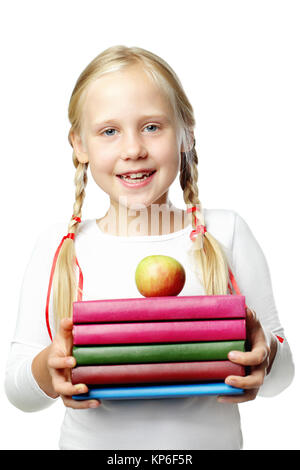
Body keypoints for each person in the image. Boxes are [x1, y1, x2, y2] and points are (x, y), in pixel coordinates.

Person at [5, 45, 294, 450]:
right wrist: (48, 368)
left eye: (152, 127)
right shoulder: (61, 246)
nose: (133, 149)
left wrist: (265, 357)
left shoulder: (225, 231)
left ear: (186, 133)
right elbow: (17, 392)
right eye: (109, 131)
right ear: (79, 144)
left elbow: (283, 376)